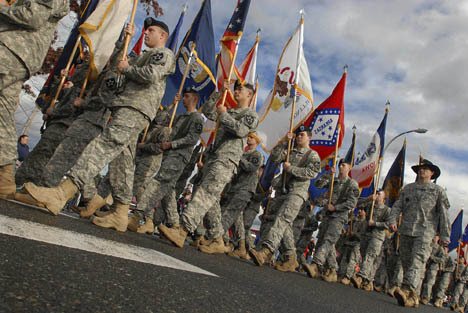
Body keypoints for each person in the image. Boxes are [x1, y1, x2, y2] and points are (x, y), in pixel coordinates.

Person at [22, 18, 175, 229]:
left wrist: (127, 68)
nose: (146, 33)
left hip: (135, 108)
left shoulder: (163, 54)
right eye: (146, 29)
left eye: (151, 30)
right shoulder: (144, 56)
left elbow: (151, 75)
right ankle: (121, 211)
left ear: (162, 36)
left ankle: (62, 192)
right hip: (127, 106)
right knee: (123, 161)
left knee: (102, 145)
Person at [158, 80, 259, 248]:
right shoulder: (229, 110)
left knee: (206, 193)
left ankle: (182, 230)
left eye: (241, 89)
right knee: (210, 199)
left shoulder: (250, 114)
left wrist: (224, 115)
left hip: (227, 159)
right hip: (214, 157)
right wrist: (220, 93)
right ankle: (217, 239)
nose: (237, 90)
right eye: (236, 88)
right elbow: (206, 111)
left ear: (250, 94)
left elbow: (241, 131)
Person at [0, 0, 69, 199]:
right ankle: (4, 176)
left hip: (14, 49)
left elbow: (33, 16)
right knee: (3, 112)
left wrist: (3, 7)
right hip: (16, 50)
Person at [128, 86, 204, 234]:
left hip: (179, 156)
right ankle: (175, 225)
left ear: (194, 99)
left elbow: (192, 139)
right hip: (169, 155)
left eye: (187, 96)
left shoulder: (197, 118)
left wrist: (171, 144)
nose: (184, 98)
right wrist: (171, 105)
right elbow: (159, 120)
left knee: (157, 183)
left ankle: (137, 216)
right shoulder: (181, 117)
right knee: (167, 191)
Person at [249, 125, 321, 271]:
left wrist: (291, 169)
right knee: (283, 222)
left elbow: (312, 172)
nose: (299, 137)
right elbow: (275, 157)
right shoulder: (290, 151)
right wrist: (283, 142)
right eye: (298, 135)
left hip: (298, 192)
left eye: (302, 135)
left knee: (282, 218)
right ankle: (290, 257)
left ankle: (266, 251)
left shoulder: (312, 155)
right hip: (283, 191)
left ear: (309, 137)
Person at [389, 159, 450, 308]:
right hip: (406, 230)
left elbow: (444, 214)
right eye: (420, 169)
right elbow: (397, 206)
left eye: (425, 169)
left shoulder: (438, 191)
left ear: (432, 173)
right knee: (407, 262)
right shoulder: (408, 189)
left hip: (425, 233)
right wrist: (392, 220)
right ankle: (413, 297)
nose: (422, 171)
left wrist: (445, 235)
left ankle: (405, 289)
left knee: (417, 261)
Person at [201, 131, 263, 254]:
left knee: (228, 214)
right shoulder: (243, 152)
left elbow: (251, 168)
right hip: (234, 187)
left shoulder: (257, 155)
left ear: (256, 141)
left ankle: (215, 240)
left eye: (252, 137)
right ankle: (230, 242)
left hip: (245, 189)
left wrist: (239, 157)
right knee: (225, 213)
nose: (249, 139)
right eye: (248, 137)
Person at [303, 158, 359, 282]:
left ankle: (316, 264)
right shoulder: (334, 179)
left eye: (344, 165)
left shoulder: (352, 184)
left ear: (349, 168)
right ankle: (333, 269)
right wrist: (329, 174)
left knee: (328, 240)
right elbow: (317, 184)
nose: (341, 167)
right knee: (325, 241)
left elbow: (352, 202)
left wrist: (336, 207)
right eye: (340, 165)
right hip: (327, 215)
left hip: (339, 217)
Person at [351, 189, 392, 291]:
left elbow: (388, 224)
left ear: (384, 199)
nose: (376, 195)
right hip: (366, 234)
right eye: (376, 193)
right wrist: (368, 199)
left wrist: (375, 224)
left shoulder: (387, 210)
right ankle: (368, 281)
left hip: (377, 237)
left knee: (370, 256)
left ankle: (360, 277)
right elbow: (356, 203)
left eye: (379, 194)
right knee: (365, 256)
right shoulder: (370, 205)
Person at [419, 236, 445, 305]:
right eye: (433, 236)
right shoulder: (428, 244)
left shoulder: (440, 248)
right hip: (424, 265)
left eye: (436, 236)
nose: (434, 237)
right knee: (420, 280)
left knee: (429, 283)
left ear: (438, 238)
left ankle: (425, 298)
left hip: (433, 268)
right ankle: (418, 295)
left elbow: (442, 259)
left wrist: (433, 258)